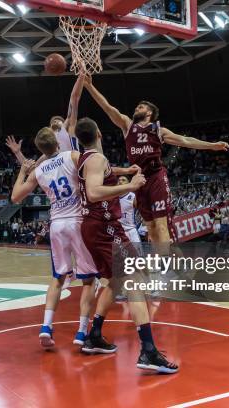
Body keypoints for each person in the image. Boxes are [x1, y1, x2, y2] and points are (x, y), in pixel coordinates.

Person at [11, 127, 137, 347]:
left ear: (41, 149)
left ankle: (46, 327)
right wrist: (125, 170)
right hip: (78, 222)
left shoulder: (39, 170)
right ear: (57, 143)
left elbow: (15, 197)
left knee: (57, 279)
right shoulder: (72, 156)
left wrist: (23, 170)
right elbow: (97, 166)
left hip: (56, 225)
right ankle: (81, 332)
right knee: (89, 281)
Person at [75, 117, 178, 374]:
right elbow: (94, 192)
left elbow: (102, 174)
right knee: (137, 281)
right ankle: (148, 351)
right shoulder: (97, 160)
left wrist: (125, 171)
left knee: (114, 282)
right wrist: (130, 186)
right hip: (105, 227)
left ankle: (94, 334)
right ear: (99, 132)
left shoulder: (84, 159)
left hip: (92, 228)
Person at [82, 75, 229, 244]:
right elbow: (107, 107)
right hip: (139, 180)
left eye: (141, 107)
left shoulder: (159, 130)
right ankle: (165, 266)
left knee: (161, 226)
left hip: (156, 177)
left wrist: (212, 145)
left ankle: (165, 269)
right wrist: (89, 86)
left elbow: (186, 141)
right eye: (137, 106)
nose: (137, 108)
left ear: (149, 113)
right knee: (150, 229)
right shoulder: (127, 125)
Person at [5, 75, 85, 163]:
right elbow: (31, 169)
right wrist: (17, 153)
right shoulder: (48, 153)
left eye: (59, 120)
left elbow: (74, 98)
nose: (55, 121)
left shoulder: (68, 130)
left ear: (66, 124)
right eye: (53, 121)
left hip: (75, 166)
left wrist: (81, 77)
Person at [117, 175, 141, 243]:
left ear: (128, 184)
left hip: (131, 230)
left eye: (123, 180)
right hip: (118, 231)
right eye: (119, 180)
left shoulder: (133, 196)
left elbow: (142, 209)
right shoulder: (113, 197)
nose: (120, 181)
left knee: (138, 253)